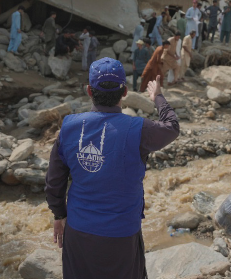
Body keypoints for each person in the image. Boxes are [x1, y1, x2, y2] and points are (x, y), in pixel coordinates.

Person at [45, 58, 179, 279]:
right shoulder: (138, 129)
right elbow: (172, 127)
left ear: (89, 91)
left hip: (79, 232)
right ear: (125, 92)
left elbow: (54, 182)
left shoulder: (68, 127)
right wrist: (158, 97)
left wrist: (59, 215)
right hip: (123, 234)